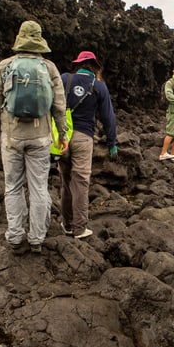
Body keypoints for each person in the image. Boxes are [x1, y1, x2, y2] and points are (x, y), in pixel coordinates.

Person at [0, 20, 68, 255]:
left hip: (11, 136)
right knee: (39, 187)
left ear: (20, 39)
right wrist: (62, 134)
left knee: (13, 187)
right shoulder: (49, 68)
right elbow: (59, 106)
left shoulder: (5, 66)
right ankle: (36, 239)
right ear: (39, 40)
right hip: (40, 136)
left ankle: (15, 236)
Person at [57, 51, 118, 239]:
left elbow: (51, 104)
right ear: (95, 67)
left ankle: (67, 224)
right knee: (81, 183)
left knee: (66, 182)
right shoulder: (99, 86)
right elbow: (108, 117)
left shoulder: (64, 78)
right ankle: (80, 228)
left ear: (79, 65)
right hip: (84, 138)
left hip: (62, 137)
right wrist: (112, 143)